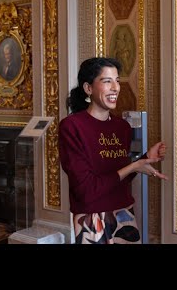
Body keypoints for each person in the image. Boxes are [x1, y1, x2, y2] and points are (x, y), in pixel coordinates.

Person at [58, 57, 167, 244]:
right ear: (88, 88)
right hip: (91, 218)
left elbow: (118, 178)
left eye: (117, 80)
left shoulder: (122, 127)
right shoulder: (72, 126)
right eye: (107, 81)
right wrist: (133, 167)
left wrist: (145, 159)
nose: (115, 87)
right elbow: (87, 190)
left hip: (124, 212)